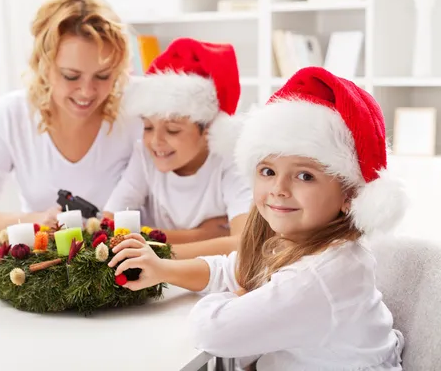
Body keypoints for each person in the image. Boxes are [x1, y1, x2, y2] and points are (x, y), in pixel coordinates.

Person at [109, 67, 408, 369]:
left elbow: (212, 332)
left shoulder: (320, 276)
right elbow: (230, 269)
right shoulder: (299, 242)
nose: (279, 189)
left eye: (305, 175)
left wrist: (235, 299)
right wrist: (163, 269)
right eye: (268, 171)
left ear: (349, 195)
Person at [0, 0, 140, 246]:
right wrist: (39, 222)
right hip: (46, 272)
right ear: (44, 65)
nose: (87, 91)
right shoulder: (11, 115)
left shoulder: (136, 112)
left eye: (103, 76)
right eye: (71, 76)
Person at [103, 37, 251, 252]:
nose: (155, 141)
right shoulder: (145, 154)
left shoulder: (231, 159)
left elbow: (244, 244)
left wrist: (144, 241)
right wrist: (203, 236)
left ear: (209, 126)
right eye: (148, 127)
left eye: (172, 129)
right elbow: (109, 230)